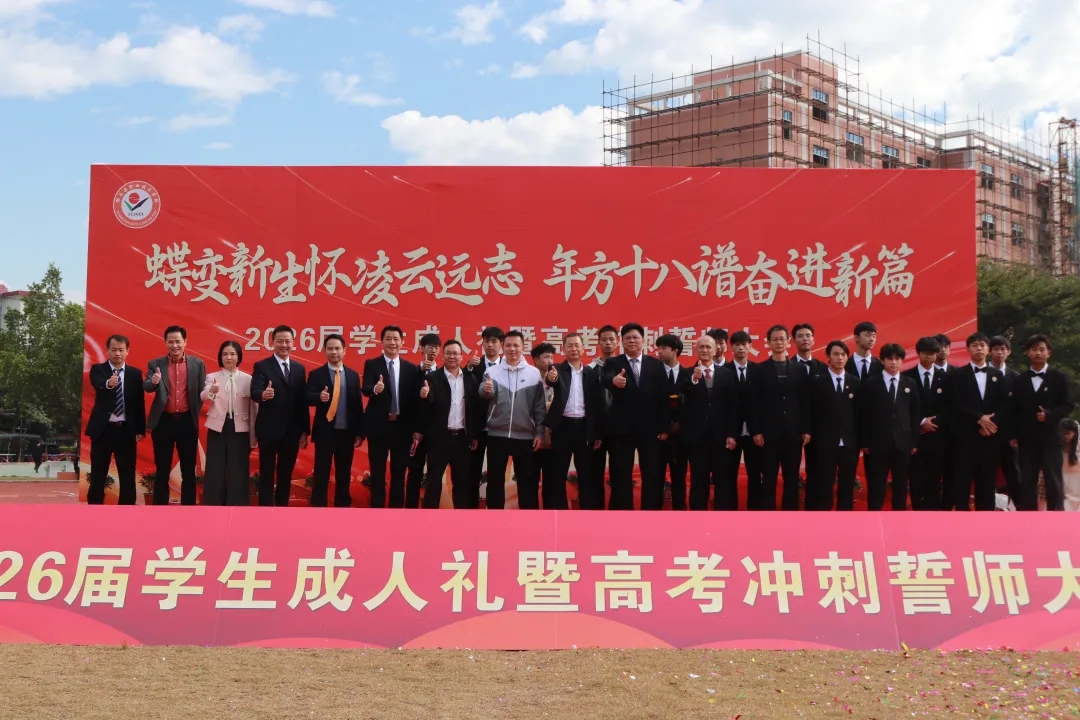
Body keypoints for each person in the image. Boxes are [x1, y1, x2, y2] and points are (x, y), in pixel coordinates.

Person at [601, 323, 671, 510]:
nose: (631, 341)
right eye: (627, 338)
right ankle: (622, 513)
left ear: (643, 341)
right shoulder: (613, 363)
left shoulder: (656, 364)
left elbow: (663, 396)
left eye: (635, 337)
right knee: (621, 473)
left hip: (650, 429)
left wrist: (664, 426)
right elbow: (605, 379)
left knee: (651, 473)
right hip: (621, 429)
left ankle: (650, 512)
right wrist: (614, 381)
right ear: (622, 342)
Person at [478, 330, 546, 509]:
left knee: (527, 482)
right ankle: (495, 518)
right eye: (508, 345)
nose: (512, 349)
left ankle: (528, 519)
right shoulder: (492, 371)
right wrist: (485, 390)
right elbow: (483, 394)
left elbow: (539, 407)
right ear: (503, 347)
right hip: (497, 435)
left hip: (525, 436)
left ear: (523, 347)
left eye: (516, 345)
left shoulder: (533, 374)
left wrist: (539, 433)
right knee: (495, 481)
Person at [944, 332, 1011, 511]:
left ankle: (986, 517)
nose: (979, 348)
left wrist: (990, 423)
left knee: (987, 481)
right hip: (965, 436)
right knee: (962, 479)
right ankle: (962, 514)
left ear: (988, 349)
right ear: (968, 349)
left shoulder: (998, 375)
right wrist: (979, 418)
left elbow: (1004, 404)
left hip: (990, 436)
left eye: (982, 345)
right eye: (975, 345)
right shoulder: (958, 375)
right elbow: (955, 402)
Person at [143, 326, 207, 505]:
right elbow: (147, 386)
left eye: (178, 341)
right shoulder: (156, 364)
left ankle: (188, 508)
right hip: (163, 421)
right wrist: (153, 382)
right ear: (165, 343)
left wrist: (192, 413)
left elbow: (202, 393)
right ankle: (159, 509)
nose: (174, 345)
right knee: (162, 469)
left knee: (189, 470)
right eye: (170, 342)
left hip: (187, 421)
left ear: (185, 342)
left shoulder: (197, 364)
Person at [750, 325, 811, 511]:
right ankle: (767, 514)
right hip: (768, 434)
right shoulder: (759, 370)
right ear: (768, 343)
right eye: (774, 339)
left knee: (791, 478)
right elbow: (754, 403)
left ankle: (790, 514)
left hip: (793, 433)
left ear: (788, 342)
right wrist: (756, 431)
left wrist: (806, 429)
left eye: (782, 339)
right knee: (768, 477)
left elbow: (805, 402)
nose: (779, 342)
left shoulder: (799, 369)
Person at [1013, 334, 1075, 511]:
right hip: (1027, 439)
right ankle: (1027, 517)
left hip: (1051, 437)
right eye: (1033, 349)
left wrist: (1049, 414)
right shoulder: (1020, 380)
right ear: (1027, 353)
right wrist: (1013, 435)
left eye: (1042, 349)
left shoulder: (1059, 377)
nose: (1038, 353)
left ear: (1049, 352)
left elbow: (1068, 405)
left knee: (1053, 479)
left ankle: (1056, 516)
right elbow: (1014, 409)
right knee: (1027, 480)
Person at [251, 325, 310, 506]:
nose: (284, 345)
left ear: (293, 343)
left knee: (286, 472)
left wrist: (304, 431)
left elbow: (302, 402)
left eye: (287, 341)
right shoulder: (262, 366)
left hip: (292, 431)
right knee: (267, 472)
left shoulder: (299, 369)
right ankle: (265, 509)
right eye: (280, 341)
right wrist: (263, 394)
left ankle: (282, 509)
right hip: (268, 429)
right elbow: (254, 391)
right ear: (272, 342)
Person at [363, 325, 422, 508]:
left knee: (399, 473)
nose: (392, 342)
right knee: (377, 473)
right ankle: (377, 511)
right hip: (378, 427)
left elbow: (414, 402)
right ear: (382, 342)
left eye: (396, 339)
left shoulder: (410, 369)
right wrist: (375, 389)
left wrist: (416, 428)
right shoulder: (372, 364)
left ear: (402, 342)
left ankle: (396, 512)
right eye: (388, 339)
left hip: (402, 428)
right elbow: (365, 388)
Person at [544, 332, 604, 510]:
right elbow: (551, 380)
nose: (573, 349)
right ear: (563, 349)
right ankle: (559, 512)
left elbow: (596, 405)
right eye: (569, 345)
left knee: (586, 474)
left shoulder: (591, 374)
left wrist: (597, 433)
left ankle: (586, 512)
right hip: (562, 427)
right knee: (558, 473)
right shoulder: (556, 369)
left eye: (577, 345)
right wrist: (551, 378)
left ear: (583, 349)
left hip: (584, 428)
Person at [858, 343, 920, 511]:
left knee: (901, 483)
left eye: (897, 359)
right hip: (877, 443)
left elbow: (914, 414)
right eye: (890, 359)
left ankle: (898, 517)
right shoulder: (871, 383)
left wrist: (914, 441)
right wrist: (864, 441)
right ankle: (874, 516)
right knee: (877, 483)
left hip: (903, 442)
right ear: (882, 360)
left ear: (902, 361)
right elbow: (864, 414)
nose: (893, 362)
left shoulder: (910, 383)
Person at [85, 334, 145, 505]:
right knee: (98, 472)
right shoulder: (98, 369)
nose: (117, 353)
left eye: (121, 350)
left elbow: (139, 403)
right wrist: (108, 383)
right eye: (113, 350)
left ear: (127, 351)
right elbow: (97, 382)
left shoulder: (135, 374)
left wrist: (140, 429)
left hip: (126, 430)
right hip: (103, 430)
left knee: (127, 474)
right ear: (107, 351)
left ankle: (127, 509)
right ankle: (94, 508)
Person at [306, 334, 364, 508]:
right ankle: (318, 509)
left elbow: (358, 405)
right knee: (321, 474)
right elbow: (306, 398)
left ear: (344, 351)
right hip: (325, 433)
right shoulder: (316, 374)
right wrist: (318, 397)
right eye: (330, 348)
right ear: (324, 351)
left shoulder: (353, 375)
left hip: (346, 433)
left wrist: (359, 433)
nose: (334, 352)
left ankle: (343, 509)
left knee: (344, 475)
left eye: (337, 348)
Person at [680, 334, 738, 510]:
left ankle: (722, 517)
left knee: (723, 479)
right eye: (701, 347)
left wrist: (732, 434)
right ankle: (698, 516)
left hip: (721, 437)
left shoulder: (727, 374)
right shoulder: (686, 374)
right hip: (696, 438)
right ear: (695, 350)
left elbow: (733, 406)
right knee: (698, 479)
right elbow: (681, 399)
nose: (704, 350)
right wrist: (694, 381)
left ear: (715, 350)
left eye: (708, 347)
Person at [422, 339, 480, 509]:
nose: (452, 356)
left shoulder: (470, 379)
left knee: (462, 483)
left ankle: (460, 520)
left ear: (461, 357)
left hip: (462, 439)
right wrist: (425, 396)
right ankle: (429, 518)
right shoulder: (432, 378)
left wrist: (473, 435)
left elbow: (474, 410)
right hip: (439, 439)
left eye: (455, 353)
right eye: (448, 353)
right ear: (443, 356)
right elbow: (426, 407)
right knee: (433, 482)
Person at [201, 340, 258, 506]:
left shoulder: (248, 379)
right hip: (217, 427)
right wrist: (211, 391)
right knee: (215, 468)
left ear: (239, 357)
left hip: (240, 428)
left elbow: (254, 409)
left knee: (238, 468)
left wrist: (254, 436)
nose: (229, 357)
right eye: (225, 354)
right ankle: (214, 505)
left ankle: (238, 505)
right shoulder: (212, 377)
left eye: (232, 354)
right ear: (220, 357)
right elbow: (203, 395)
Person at [808, 340, 860, 511]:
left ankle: (845, 517)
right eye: (836, 354)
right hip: (825, 443)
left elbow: (860, 413)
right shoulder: (817, 382)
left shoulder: (855, 382)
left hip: (849, 443)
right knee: (825, 482)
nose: (840, 358)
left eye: (843, 354)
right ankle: (825, 517)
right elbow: (812, 413)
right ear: (828, 357)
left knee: (847, 483)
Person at [903, 336, 947, 510]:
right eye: (926, 353)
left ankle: (934, 515)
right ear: (918, 353)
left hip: (938, 435)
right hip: (915, 437)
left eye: (933, 354)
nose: (930, 357)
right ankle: (917, 512)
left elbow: (951, 406)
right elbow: (904, 407)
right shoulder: (906, 377)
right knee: (915, 479)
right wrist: (921, 422)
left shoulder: (946, 377)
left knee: (935, 479)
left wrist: (934, 422)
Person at [466, 326, 504, 508]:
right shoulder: (473, 366)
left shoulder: (508, 366)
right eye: (486, 341)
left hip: (500, 429)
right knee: (472, 473)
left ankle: (495, 513)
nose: (490, 345)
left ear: (501, 344)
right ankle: (471, 513)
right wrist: (468, 369)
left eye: (494, 341)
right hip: (478, 429)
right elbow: (467, 399)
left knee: (496, 475)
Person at [405, 333, 441, 508]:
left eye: (436, 347)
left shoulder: (442, 374)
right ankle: (411, 509)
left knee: (434, 474)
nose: (433, 350)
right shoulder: (412, 372)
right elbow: (407, 401)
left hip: (436, 433)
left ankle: (431, 510)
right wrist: (415, 430)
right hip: (416, 433)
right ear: (422, 348)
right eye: (430, 346)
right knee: (414, 472)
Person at [725, 331, 760, 510]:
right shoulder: (724, 372)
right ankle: (730, 511)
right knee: (729, 474)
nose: (741, 348)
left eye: (744, 344)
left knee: (755, 473)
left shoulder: (759, 371)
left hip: (754, 432)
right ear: (731, 348)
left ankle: (754, 511)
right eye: (737, 345)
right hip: (732, 432)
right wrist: (728, 432)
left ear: (750, 346)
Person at [655, 334, 690, 510]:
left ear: (675, 351)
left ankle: (680, 512)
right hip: (658, 435)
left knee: (679, 477)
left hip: (680, 437)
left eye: (663, 348)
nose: (659, 352)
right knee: (655, 477)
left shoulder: (688, 375)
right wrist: (663, 427)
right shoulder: (653, 374)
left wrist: (681, 424)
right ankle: (654, 513)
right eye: (658, 348)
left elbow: (693, 406)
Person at [989, 335, 1022, 502]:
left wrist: (1016, 434)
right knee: (986, 475)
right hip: (985, 433)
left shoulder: (1016, 378)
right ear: (990, 351)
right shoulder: (980, 375)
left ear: (1008, 352)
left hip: (1009, 437)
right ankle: (987, 509)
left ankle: (1021, 508)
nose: (999, 352)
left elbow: (1019, 409)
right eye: (996, 349)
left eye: (1003, 349)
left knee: (1014, 474)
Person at [531, 342, 561, 508]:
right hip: (533, 438)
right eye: (546, 357)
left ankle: (551, 516)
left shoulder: (558, 379)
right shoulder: (529, 379)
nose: (550, 361)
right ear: (536, 360)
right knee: (530, 481)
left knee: (552, 482)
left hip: (553, 439)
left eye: (552, 357)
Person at [1061, 418, 1080, 511]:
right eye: (1063, 433)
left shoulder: (1078, 452)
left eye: (1068, 433)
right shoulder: (1059, 452)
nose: (1065, 436)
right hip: (1065, 495)